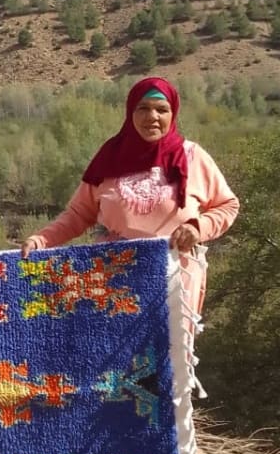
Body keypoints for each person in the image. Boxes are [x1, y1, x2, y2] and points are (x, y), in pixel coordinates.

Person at [20, 77, 239, 328]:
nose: (152, 116)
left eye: (161, 109)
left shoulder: (192, 157)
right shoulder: (110, 157)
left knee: (169, 362)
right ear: (130, 111)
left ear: (173, 113)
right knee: (114, 364)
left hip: (175, 284)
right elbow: (78, 214)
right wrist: (41, 240)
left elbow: (228, 205)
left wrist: (198, 228)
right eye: (143, 108)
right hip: (114, 286)